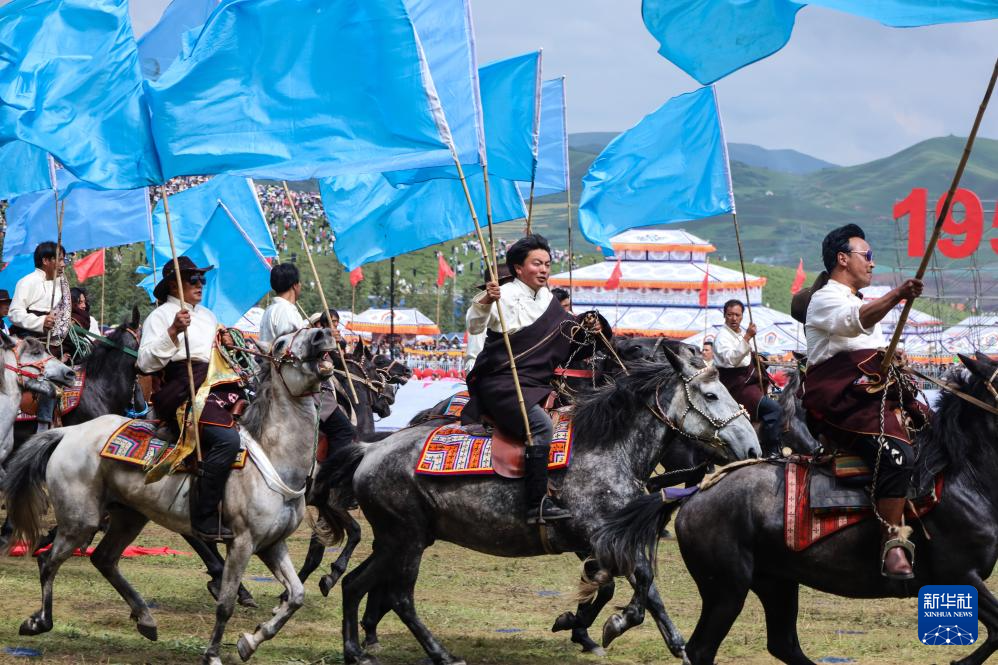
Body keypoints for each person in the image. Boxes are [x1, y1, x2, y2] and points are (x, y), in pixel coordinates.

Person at [799, 223, 924, 580]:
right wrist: (898, 294)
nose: (871, 263)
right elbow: (854, 324)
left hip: (868, 399)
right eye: (866, 255)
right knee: (898, 455)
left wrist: (890, 357)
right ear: (843, 259)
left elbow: (866, 347)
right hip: (840, 403)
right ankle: (892, 542)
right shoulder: (824, 298)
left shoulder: (858, 300)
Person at [463, 234, 610, 525]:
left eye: (547, 264)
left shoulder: (549, 301)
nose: (543, 269)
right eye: (536, 264)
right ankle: (535, 504)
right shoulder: (502, 295)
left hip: (537, 384)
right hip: (503, 383)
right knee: (541, 426)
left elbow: (570, 345)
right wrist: (485, 300)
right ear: (518, 268)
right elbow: (474, 325)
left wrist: (591, 329)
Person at [137, 257, 245, 542]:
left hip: (218, 385)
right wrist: (173, 331)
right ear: (174, 285)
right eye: (193, 279)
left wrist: (227, 344)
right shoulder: (160, 316)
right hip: (183, 389)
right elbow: (145, 363)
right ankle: (204, 515)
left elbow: (219, 355)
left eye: (202, 279)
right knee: (227, 440)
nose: (201, 284)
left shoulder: (209, 316)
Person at [713, 299, 782, 456]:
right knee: (774, 409)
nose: (734, 318)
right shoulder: (722, 337)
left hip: (747, 383)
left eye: (737, 315)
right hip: (736, 387)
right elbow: (731, 359)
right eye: (730, 314)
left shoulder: (738, 334)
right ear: (724, 315)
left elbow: (744, 356)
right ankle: (771, 451)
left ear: (742, 316)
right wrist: (748, 337)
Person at [9, 241, 69, 341]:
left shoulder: (62, 285)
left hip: (56, 340)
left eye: (64, 260)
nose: (63, 264)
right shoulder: (27, 282)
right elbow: (14, 314)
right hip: (28, 340)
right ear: (45, 261)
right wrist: (41, 322)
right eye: (59, 260)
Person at [259, 262, 306, 346]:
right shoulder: (286, 311)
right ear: (295, 285)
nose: (300, 285)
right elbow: (290, 347)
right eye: (299, 282)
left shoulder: (270, 309)